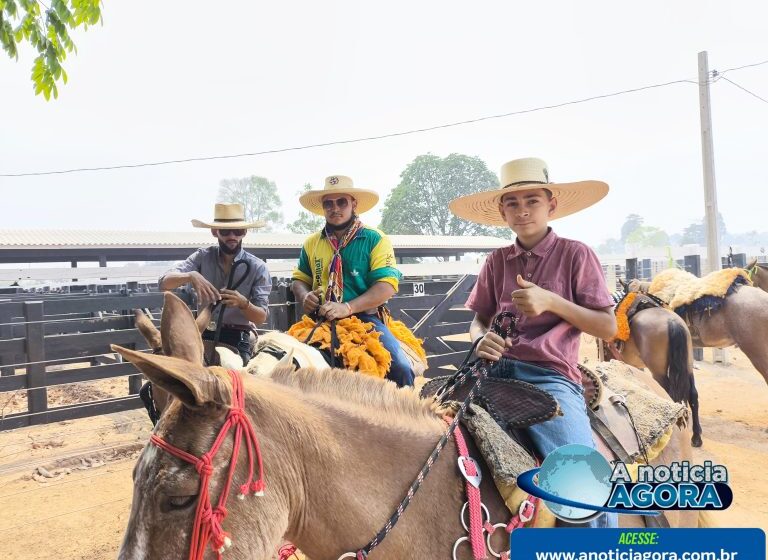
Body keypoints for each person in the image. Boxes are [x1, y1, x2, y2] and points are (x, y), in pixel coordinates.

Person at [449, 157, 618, 527]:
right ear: (502, 210)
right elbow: (479, 318)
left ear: (551, 205)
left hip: (549, 376)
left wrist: (552, 301)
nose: (522, 210)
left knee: (580, 489)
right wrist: (481, 340)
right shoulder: (496, 261)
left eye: (532, 201)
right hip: (488, 372)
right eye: (512, 202)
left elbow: (608, 327)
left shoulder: (576, 254)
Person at [290, 175, 414, 386]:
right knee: (286, 363)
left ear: (353, 204)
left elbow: (386, 287)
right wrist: (304, 296)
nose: (334, 208)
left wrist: (347, 307)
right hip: (320, 319)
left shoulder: (375, 239)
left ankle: (408, 416)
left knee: (400, 368)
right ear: (322, 207)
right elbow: (299, 279)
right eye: (328, 203)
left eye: (341, 202)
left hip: (366, 321)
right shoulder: (311, 243)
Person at [159, 203, 272, 365]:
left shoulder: (258, 267)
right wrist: (191, 276)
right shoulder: (202, 257)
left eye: (238, 231)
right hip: (202, 333)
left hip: (238, 334)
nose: (232, 236)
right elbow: (164, 283)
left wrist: (243, 304)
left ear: (244, 233)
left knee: (237, 380)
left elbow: (261, 317)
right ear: (215, 232)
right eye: (225, 231)